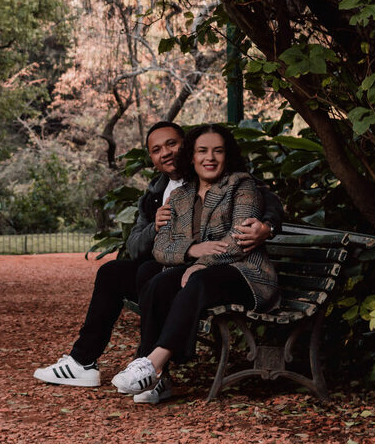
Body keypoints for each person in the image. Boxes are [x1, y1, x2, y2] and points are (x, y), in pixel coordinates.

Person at [33, 121, 282, 403]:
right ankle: (85, 363)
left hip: (231, 270)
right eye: (156, 149)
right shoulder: (161, 192)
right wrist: (166, 233)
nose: (166, 152)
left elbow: (263, 206)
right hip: (178, 267)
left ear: (184, 146)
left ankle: (152, 366)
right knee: (123, 273)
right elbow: (143, 245)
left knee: (160, 277)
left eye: (172, 144)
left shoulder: (238, 183)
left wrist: (267, 227)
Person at [110, 124, 280, 400]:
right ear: (191, 156)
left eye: (218, 151)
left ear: (227, 156)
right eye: (202, 151)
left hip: (246, 275)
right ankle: (158, 380)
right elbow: (161, 247)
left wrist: (203, 263)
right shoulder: (181, 196)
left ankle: (152, 364)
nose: (209, 158)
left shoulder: (241, 186)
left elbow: (238, 239)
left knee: (198, 279)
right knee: (158, 283)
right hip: (202, 276)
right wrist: (192, 250)